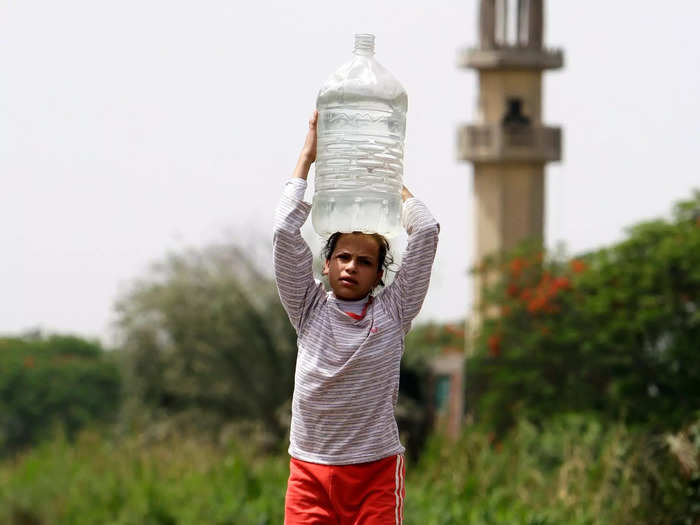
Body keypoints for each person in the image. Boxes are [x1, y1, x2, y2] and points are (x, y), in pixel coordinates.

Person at [273, 110, 439, 524]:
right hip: (310, 471)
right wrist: (307, 158)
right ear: (325, 265)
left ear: (379, 273)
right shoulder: (308, 309)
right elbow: (282, 233)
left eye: (365, 261)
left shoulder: (395, 310)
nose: (351, 266)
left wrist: (387, 180)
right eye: (343, 257)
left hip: (374, 472)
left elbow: (428, 229)